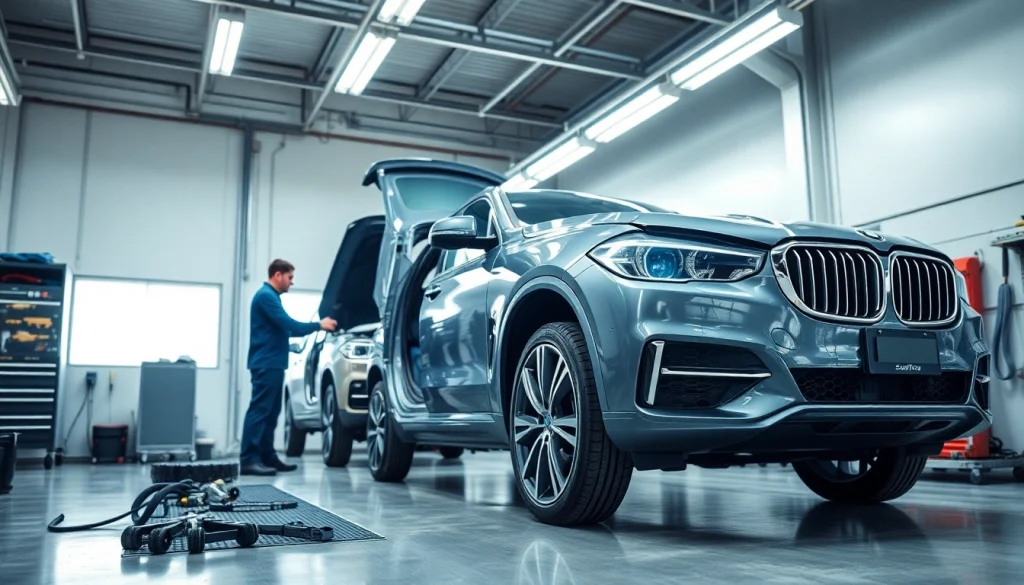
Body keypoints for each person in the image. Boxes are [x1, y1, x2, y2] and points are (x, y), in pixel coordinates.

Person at [240, 259, 337, 476]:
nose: (291, 282)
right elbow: (289, 325)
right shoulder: (266, 297)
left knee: (271, 412)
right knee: (260, 411)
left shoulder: (270, 297)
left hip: (271, 363)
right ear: (278, 275)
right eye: (290, 277)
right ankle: (248, 459)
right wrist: (319, 325)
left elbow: (280, 331)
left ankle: (266, 456)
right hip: (266, 364)